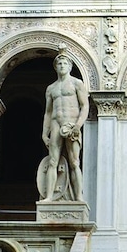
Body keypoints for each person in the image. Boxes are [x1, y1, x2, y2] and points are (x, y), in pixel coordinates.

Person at [38, 50, 89, 202]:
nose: (62, 66)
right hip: (55, 124)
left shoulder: (76, 83)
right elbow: (48, 112)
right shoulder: (51, 88)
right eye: (59, 63)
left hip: (71, 123)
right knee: (53, 161)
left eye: (65, 63)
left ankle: (79, 196)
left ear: (70, 66)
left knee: (74, 162)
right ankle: (49, 196)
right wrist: (44, 133)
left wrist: (78, 125)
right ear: (55, 67)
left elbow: (84, 106)